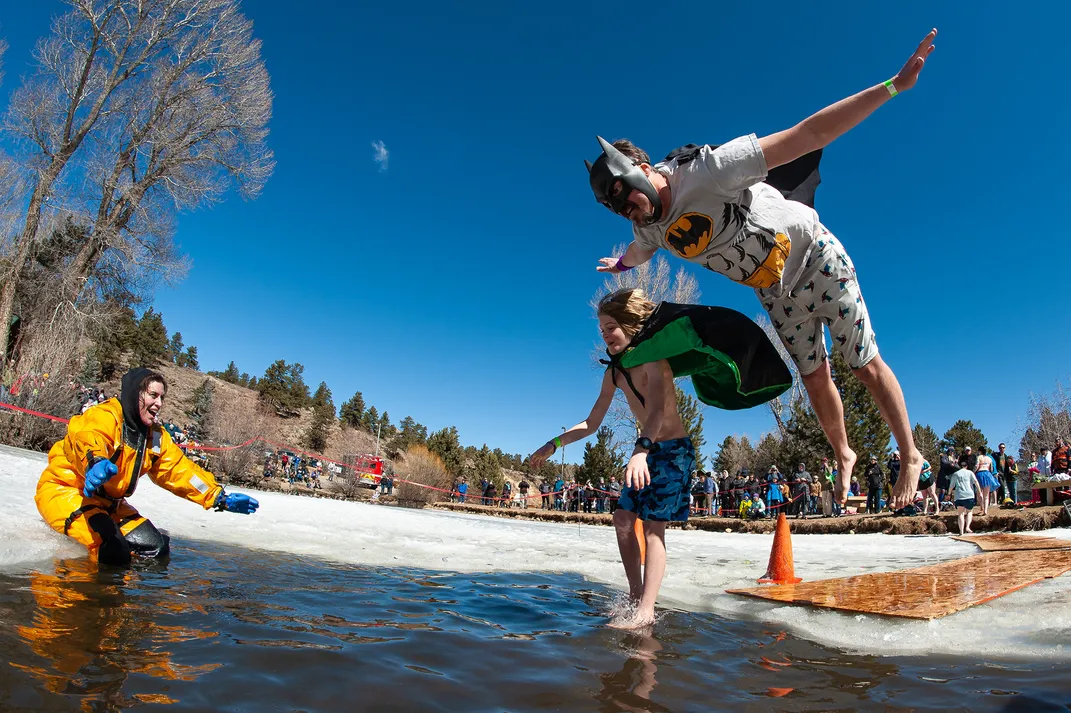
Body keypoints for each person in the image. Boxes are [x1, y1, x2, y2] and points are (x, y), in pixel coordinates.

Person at [587, 31, 938, 510]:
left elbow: (806, 135)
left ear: (638, 169)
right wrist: (623, 262)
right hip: (775, 292)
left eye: (626, 198)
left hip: (816, 257)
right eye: (619, 211)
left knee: (864, 365)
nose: (631, 212)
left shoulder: (708, 170)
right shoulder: (648, 226)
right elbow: (643, 249)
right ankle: (844, 454)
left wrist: (893, 86)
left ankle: (911, 453)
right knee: (815, 377)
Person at [529, 289, 696, 629]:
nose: (605, 335)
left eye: (610, 327)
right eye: (601, 330)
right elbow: (592, 422)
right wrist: (554, 443)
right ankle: (635, 595)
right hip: (645, 451)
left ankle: (646, 609)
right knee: (622, 519)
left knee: (652, 529)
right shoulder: (615, 373)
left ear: (632, 325)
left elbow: (658, 413)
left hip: (672, 451)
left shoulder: (655, 360)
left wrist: (641, 450)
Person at [34, 368, 259, 567]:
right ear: (136, 395)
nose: (159, 404)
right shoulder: (105, 415)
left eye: (162, 397)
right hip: (67, 493)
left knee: (157, 548)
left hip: (110, 505)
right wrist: (95, 462)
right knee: (113, 550)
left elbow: (180, 471)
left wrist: (218, 497)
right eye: (153, 395)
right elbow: (88, 437)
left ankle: (128, 597)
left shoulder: (154, 437)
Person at [949, 455, 983, 535]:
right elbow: (976, 482)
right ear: (966, 466)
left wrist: (949, 494)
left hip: (959, 495)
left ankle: (961, 532)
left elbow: (951, 486)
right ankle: (967, 526)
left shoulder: (955, 474)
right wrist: (979, 492)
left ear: (960, 466)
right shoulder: (970, 472)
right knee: (969, 512)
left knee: (960, 513)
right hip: (969, 495)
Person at [974, 449, 1000, 516]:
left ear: (980, 451)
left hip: (979, 474)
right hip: (987, 474)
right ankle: (985, 510)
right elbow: (991, 468)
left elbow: (977, 466)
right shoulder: (989, 458)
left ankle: (981, 507)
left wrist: (973, 472)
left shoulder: (979, 457)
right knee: (987, 495)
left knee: (979, 492)